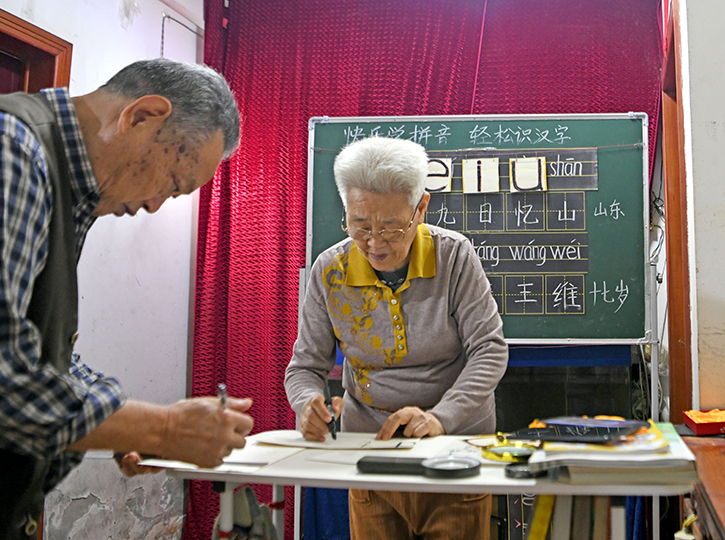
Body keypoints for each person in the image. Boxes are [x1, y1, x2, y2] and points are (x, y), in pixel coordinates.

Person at [0, 58, 254, 540]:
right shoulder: (13, 152)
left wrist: (128, 425)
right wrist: (161, 428)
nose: (155, 205)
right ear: (142, 116)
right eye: (173, 183)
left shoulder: (66, 186)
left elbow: (39, 356)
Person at [285, 136, 508, 540]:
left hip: (453, 448)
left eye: (390, 228)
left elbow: (489, 351)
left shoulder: (454, 256)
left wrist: (440, 418)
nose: (374, 243)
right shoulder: (330, 270)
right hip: (370, 449)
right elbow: (304, 368)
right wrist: (307, 405)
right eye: (360, 225)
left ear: (421, 207)